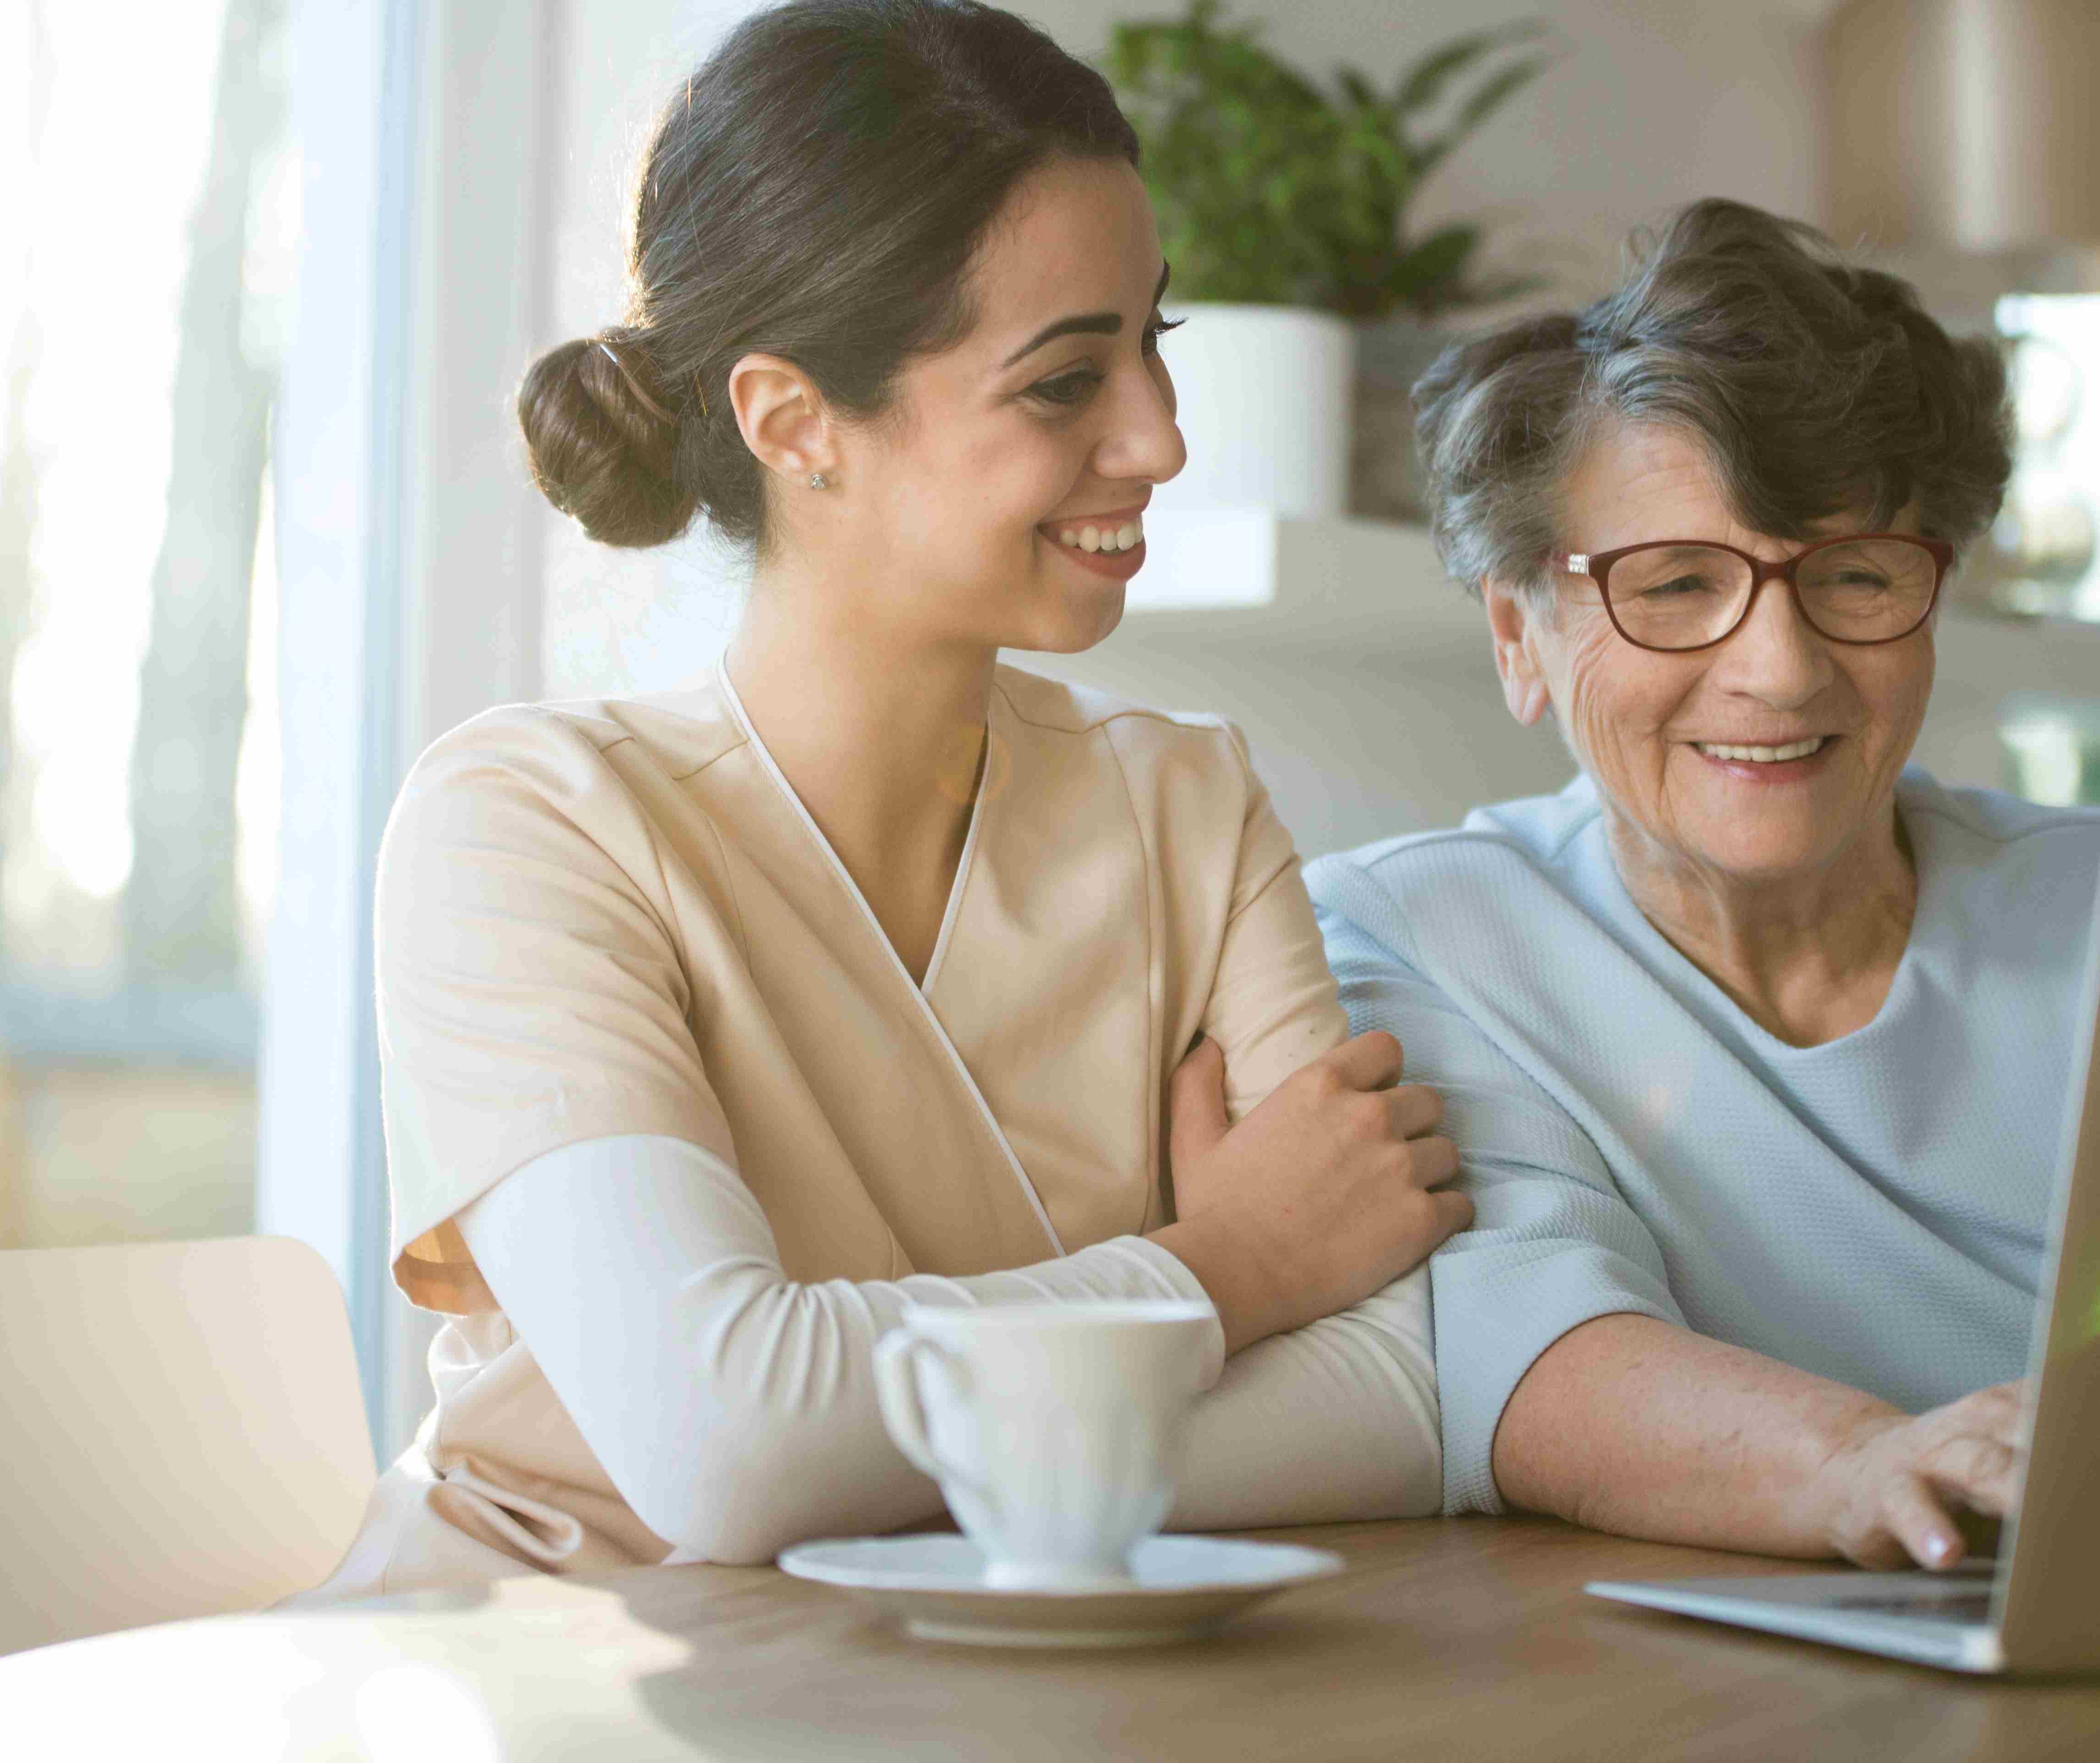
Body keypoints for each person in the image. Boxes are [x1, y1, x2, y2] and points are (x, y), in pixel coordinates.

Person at [311, 0, 1466, 1599]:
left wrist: (850, 1436)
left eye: (1156, 344)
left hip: (990, 1696)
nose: (1162, 438)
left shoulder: (1189, 803)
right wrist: (1232, 1270)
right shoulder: (526, 828)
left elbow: (1403, 1400)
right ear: (795, 426)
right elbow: (724, 1444)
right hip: (543, 1682)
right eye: (1067, 382)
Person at [1310, 199, 2100, 1574]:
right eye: (1677, 585)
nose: (1781, 670)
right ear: (1519, 635)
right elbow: (1532, 1357)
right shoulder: (1424, 937)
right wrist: (1870, 1460)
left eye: (1855, 577)